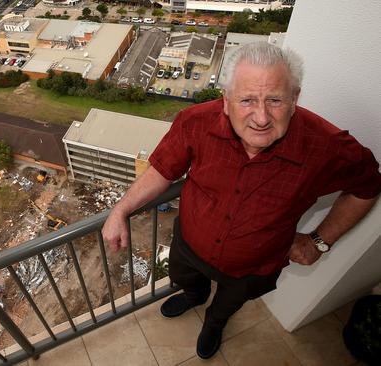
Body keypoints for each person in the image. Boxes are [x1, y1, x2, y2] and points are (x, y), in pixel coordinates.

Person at [101, 42, 381, 360]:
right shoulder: (194, 122)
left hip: (254, 267)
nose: (261, 117)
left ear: (294, 100)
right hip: (189, 246)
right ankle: (194, 296)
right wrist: (120, 209)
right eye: (247, 100)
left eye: (274, 100)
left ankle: (214, 323)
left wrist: (320, 241)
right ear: (226, 100)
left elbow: (368, 186)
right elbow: (163, 169)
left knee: (229, 304)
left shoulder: (326, 147)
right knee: (185, 279)